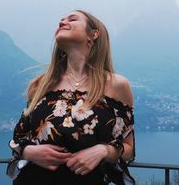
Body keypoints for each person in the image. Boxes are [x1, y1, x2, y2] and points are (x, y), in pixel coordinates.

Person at [7, 10, 135, 185]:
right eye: (61, 20)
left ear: (93, 34)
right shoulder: (42, 84)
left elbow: (128, 148)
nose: (62, 22)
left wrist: (103, 150)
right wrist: (29, 152)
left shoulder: (117, 85)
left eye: (72, 19)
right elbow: (19, 138)